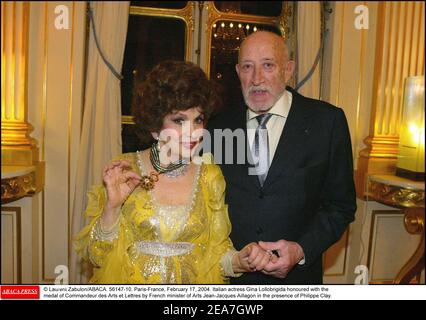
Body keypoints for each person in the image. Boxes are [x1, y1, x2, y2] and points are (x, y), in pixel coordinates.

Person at [74, 60, 276, 284]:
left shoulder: (210, 176)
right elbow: (97, 256)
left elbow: (215, 256)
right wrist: (112, 207)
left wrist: (240, 260)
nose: (193, 132)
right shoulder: (124, 169)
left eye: (198, 119)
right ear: (154, 124)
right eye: (179, 120)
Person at [207, 31, 357, 284]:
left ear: (288, 70)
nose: (256, 79)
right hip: (233, 283)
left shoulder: (326, 122)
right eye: (247, 67)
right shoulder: (219, 125)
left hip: (298, 280)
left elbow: (340, 207)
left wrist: (301, 249)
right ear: (237, 72)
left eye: (268, 65)